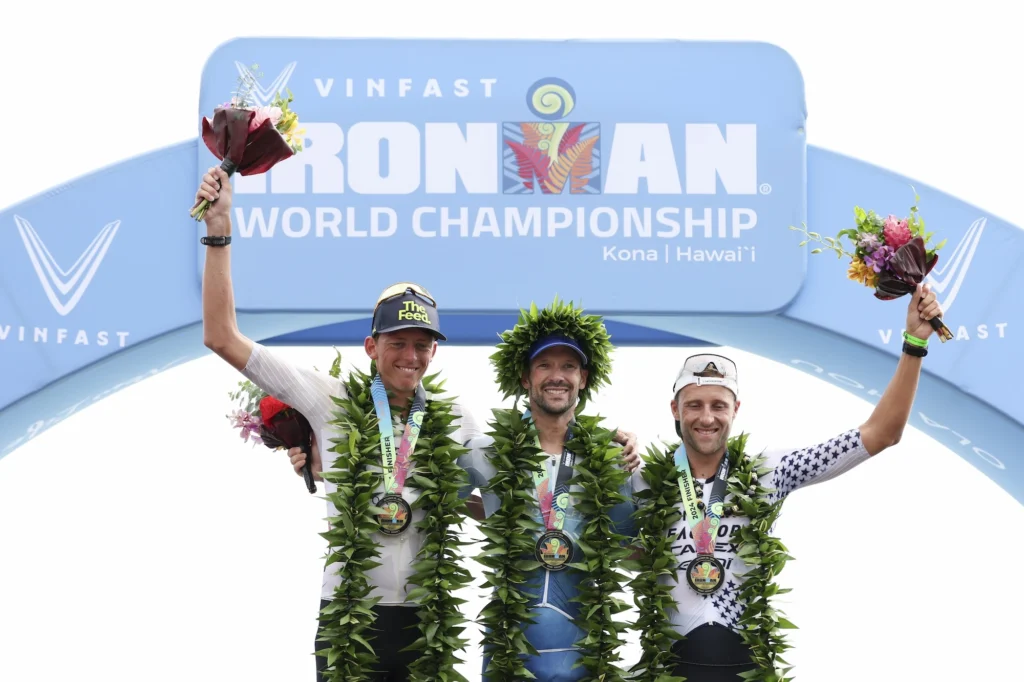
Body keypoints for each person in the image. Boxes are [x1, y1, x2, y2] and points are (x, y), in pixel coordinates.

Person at [194, 167, 640, 681]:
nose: (410, 355)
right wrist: (220, 231)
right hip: (349, 619)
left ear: (433, 351)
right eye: (397, 342)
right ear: (371, 346)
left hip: (428, 628)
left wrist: (609, 442)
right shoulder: (329, 399)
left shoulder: (457, 423)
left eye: (422, 344)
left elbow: (519, 480)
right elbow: (222, 336)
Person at [631, 283, 944, 681]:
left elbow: (881, 433)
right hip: (669, 666)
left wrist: (914, 343)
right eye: (694, 404)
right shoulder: (643, 482)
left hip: (746, 664)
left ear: (736, 409)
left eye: (718, 405)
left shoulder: (768, 471)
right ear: (675, 408)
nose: (706, 417)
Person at [458, 303, 642, 681]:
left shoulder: (608, 460)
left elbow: (631, 548)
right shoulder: (485, 450)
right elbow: (428, 499)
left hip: (582, 654)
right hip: (510, 652)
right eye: (544, 365)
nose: (556, 377)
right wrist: (319, 461)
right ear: (525, 377)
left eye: (568, 366)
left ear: (584, 378)